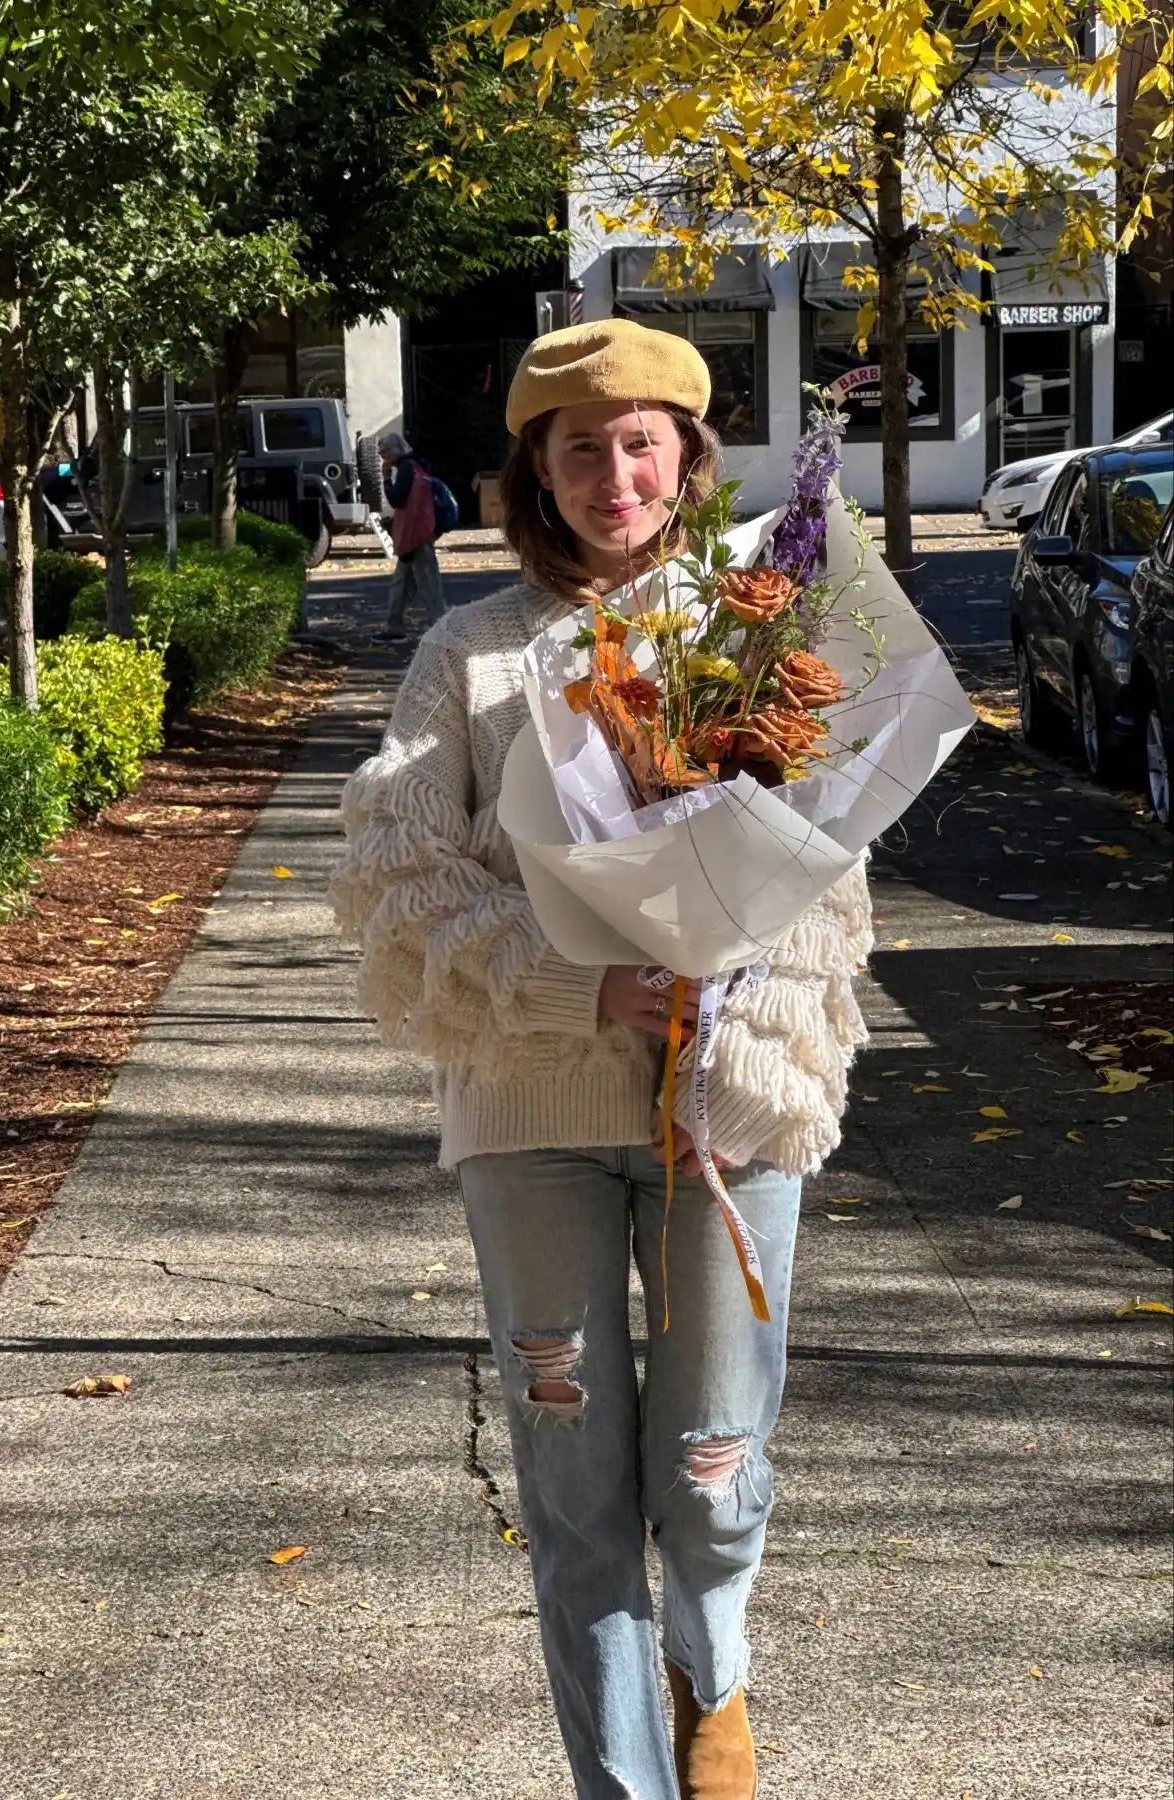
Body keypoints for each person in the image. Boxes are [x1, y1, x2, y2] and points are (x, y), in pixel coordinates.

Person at [331, 320, 872, 1800]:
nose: (613, 472)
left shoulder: (768, 636)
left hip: (727, 1110)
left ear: (689, 464)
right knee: (573, 1493)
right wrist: (586, 980)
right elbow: (394, 878)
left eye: (643, 443)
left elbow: (834, 882)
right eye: (582, 446)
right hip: (532, 1116)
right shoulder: (467, 653)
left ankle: (716, 1675)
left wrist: (728, 999)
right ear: (537, 472)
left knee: (709, 1460)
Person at [375, 431, 446, 638]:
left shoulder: (407, 468)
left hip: (414, 534)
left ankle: (440, 624)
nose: (383, 457)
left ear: (398, 449)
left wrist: (386, 480)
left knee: (426, 581)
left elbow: (397, 499)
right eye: (381, 453)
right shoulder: (418, 466)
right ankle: (393, 624)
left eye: (386, 451)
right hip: (417, 532)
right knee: (402, 581)